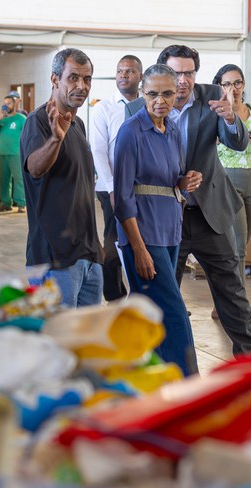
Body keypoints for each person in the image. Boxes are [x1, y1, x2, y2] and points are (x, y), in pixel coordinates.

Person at [126, 45, 251, 357]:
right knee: (163, 295)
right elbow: (135, 167)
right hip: (164, 217)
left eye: (189, 72)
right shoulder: (136, 109)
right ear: (161, 73)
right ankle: (160, 367)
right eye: (176, 73)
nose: (184, 80)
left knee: (232, 292)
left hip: (208, 212)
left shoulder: (212, 96)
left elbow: (238, 143)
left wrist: (230, 119)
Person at [114, 64, 201, 375]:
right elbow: (122, 197)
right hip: (144, 233)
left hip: (170, 230)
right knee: (175, 313)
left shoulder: (173, 130)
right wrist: (137, 248)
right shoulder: (130, 132)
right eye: (153, 94)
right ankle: (191, 386)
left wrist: (184, 182)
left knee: (147, 312)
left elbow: (169, 180)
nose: (160, 101)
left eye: (167, 94)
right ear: (142, 94)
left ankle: (146, 378)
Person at [20, 48, 102, 308]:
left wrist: (96, 247)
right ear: (55, 80)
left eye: (87, 79)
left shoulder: (77, 125)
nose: (81, 86)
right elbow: (34, 168)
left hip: (87, 256)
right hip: (54, 259)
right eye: (73, 78)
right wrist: (56, 138)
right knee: (57, 340)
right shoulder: (38, 122)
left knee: (86, 343)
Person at [213, 64, 251, 330]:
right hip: (227, 179)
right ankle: (241, 313)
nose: (232, 88)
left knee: (239, 247)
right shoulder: (217, 110)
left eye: (237, 83)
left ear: (244, 84)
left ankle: (222, 301)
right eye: (226, 84)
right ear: (219, 86)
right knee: (238, 252)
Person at [91, 54, 143, 302]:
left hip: (140, 186)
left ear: (140, 76)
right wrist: (112, 189)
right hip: (109, 185)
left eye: (130, 71)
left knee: (142, 239)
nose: (123, 75)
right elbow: (98, 150)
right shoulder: (104, 107)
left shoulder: (147, 105)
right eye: (120, 71)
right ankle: (113, 293)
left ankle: (142, 291)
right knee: (114, 241)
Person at [0, 93, 26, 213]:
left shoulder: (21, 119)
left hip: (16, 154)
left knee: (19, 179)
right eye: (4, 103)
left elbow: (28, 134)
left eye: (9, 103)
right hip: (3, 153)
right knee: (4, 180)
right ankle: (5, 203)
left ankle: (21, 203)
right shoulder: (1, 119)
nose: (6, 106)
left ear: (15, 104)